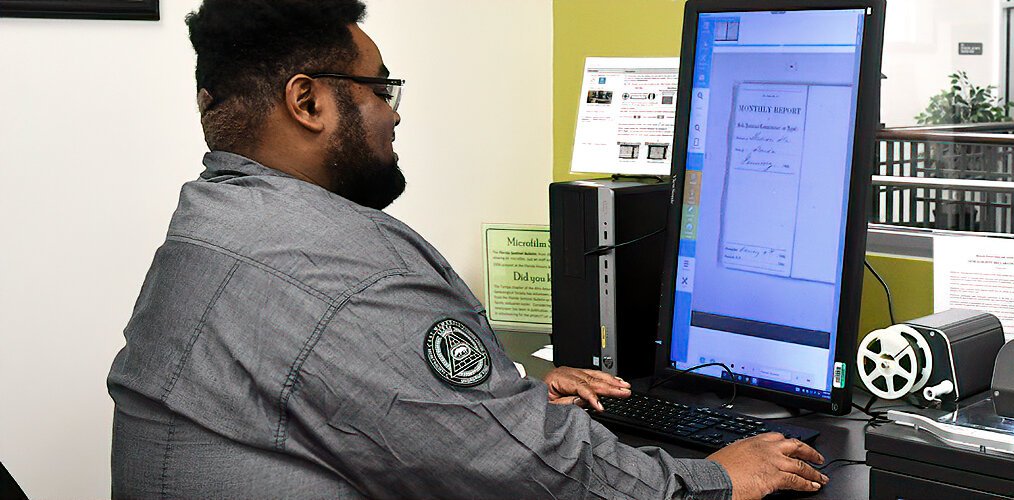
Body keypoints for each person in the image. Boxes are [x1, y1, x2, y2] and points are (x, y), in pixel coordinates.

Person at [105, 1, 829, 498]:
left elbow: (362, 395)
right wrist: (716, 479)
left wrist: (494, 397)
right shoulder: (346, 270)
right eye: (380, 87)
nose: (391, 111)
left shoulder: (208, 226)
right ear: (308, 103)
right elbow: (534, 474)